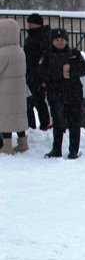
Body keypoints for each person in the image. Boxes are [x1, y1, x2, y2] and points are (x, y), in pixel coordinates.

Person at [38, 28, 85, 159]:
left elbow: (84, 68)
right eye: (57, 40)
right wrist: (60, 73)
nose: (60, 42)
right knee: (58, 122)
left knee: (74, 123)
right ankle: (56, 149)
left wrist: (72, 69)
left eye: (62, 40)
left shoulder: (74, 54)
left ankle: (73, 150)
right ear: (52, 41)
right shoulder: (47, 55)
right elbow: (42, 72)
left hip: (74, 93)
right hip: (56, 94)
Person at [1, 19, 29, 155]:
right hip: (18, 91)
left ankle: (7, 146)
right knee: (18, 116)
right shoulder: (19, 51)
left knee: (5, 117)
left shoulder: (3, 53)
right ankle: (23, 142)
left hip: (5, 92)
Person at [23, 13, 51, 131]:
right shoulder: (32, 37)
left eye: (30, 23)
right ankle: (38, 125)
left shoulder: (42, 37)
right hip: (31, 74)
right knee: (35, 101)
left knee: (34, 101)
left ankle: (38, 125)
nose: (28, 25)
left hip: (37, 75)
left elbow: (44, 57)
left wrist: (44, 78)